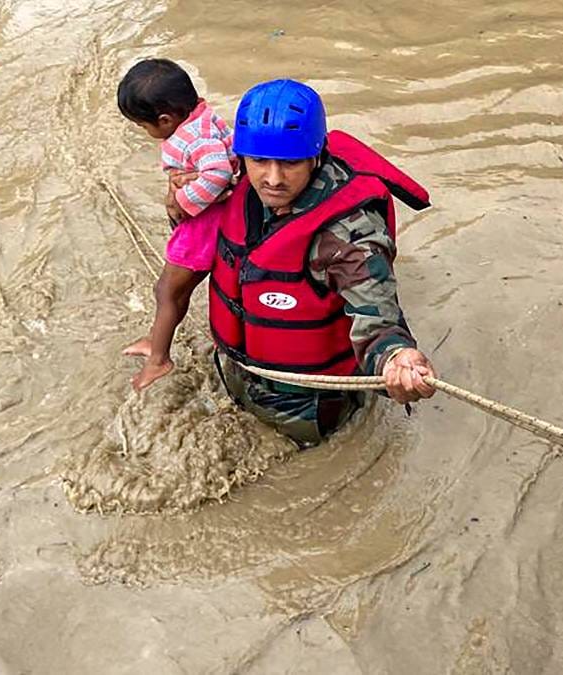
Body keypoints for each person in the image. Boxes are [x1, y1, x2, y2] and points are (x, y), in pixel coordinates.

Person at [207, 79, 438, 446]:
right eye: (260, 161)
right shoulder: (237, 181)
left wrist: (396, 359)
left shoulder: (350, 235)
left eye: (290, 163)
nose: (273, 179)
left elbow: (378, 317)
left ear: (315, 156)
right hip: (236, 369)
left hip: (304, 408)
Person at [116, 58, 238, 391]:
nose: (146, 133)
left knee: (167, 290)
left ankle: (158, 360)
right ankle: (157, 339)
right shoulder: (202, 117)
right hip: (210, 220)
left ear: (165, 120)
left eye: (144, 126)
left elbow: (218, 173)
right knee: (173, 291)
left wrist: (181, 203)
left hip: (204, 227)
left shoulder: (195, 137)